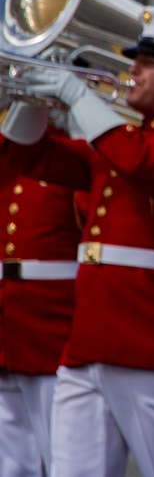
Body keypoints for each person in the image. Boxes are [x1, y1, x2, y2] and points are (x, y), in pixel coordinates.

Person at [0, 6, 154, 477]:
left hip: (149, 340)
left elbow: (140, 162)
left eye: (149, 63)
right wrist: (35, 90)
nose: (132, 69)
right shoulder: (117, 142)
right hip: (87, 341)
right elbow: (24, 155)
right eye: (134, 59)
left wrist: (76, 93)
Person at [0, 111, 82, 477]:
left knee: (61, 449)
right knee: (11, 455)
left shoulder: (75, 153)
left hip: (53, 316)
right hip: (8, 315)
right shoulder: (9, 149)